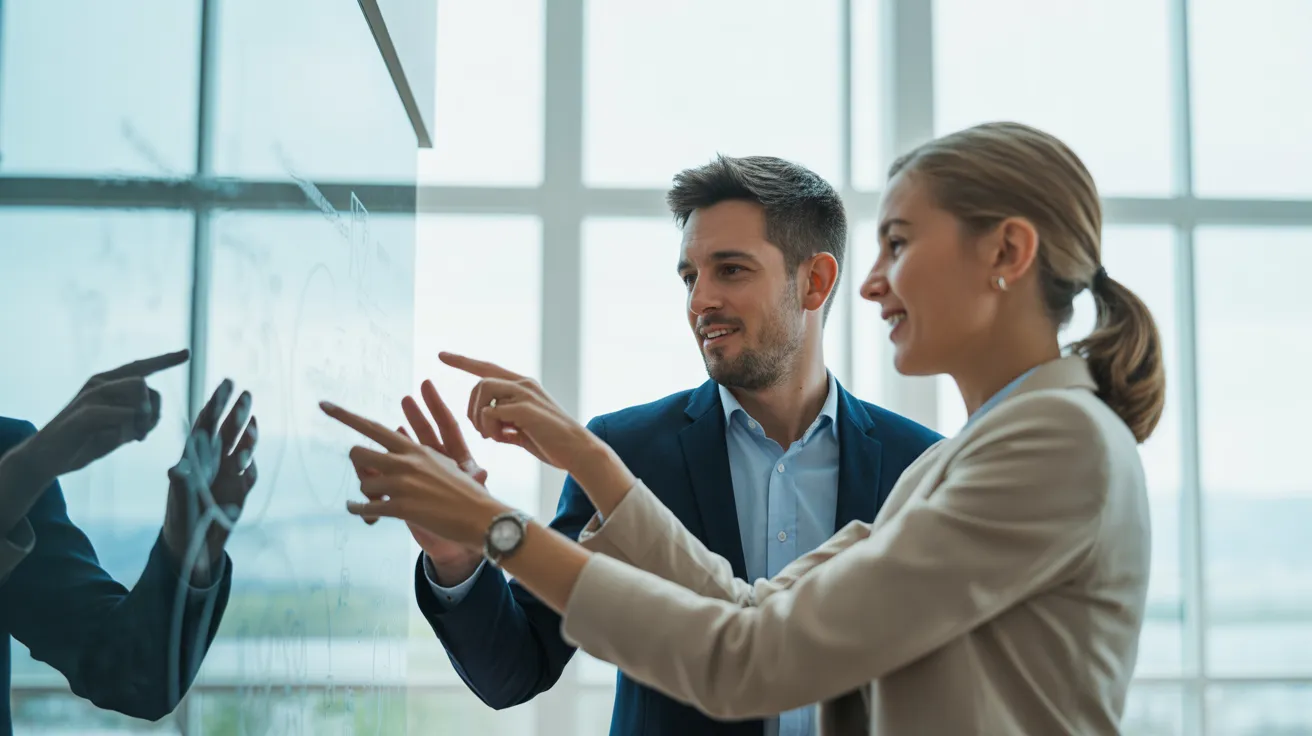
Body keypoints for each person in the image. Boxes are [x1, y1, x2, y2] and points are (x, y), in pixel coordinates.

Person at [324, 121, 1165, 735]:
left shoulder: (1030, 448)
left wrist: (497, 526)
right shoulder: (968, 461)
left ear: (1007, 254)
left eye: (900, 244)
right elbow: (747, 605)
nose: (876, 286)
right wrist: (539, 495)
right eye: (689, 274)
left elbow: (747, 651)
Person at [398, 155, 941, 736]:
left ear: (816, 281)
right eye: (690, 277)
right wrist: (457, 563)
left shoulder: (922, 467)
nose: (699, 300)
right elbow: (516, 668)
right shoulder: (625, 451)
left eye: (730, 270)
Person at [0, 350, 260, 735]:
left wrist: (185, 554)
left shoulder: (10, 449)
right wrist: (25, 471)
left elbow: (132, 675)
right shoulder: (21, 462)